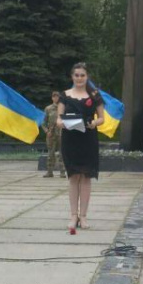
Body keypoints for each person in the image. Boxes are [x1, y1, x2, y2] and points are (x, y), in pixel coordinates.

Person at [57, 63, 105, 231]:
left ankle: (83, 216)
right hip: (70, 140)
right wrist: (63, 123)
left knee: (85, 177)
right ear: (72, 77)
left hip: (88, 139)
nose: (79, 78)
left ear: (87, 77)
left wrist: (93, 123)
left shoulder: (94, 95)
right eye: (76, 75)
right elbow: (58, 120)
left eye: (82, 75)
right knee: (73, 177)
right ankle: (73, 215)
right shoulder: (65, 95)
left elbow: (102, 118)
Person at [42, 91, 66, 178]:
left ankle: (62, 172)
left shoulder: (64, 108)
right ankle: (49, 172)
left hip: (61, 133)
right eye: (54, 97)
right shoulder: (48, 109)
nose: (56, 98)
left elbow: (67, 120)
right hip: (51, 134)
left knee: (62, 153)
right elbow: (43, 122)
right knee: (50, 153)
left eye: (57, 97)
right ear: (52, 98)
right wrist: (46, 131)